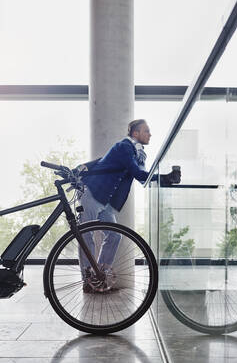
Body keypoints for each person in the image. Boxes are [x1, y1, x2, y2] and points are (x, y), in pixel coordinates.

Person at [78, 119, 181, 292]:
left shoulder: (139, 153)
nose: (150, 134)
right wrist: (165, 177)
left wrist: (166, 179)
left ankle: (99, 277)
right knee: (86, 235)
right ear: (135, 134)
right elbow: (137, 173)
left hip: (107, 202)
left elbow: (143, 179)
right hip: (94, 193)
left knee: (114, 236)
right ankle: (88, 280)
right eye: (146, 131)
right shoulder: (124, 146)